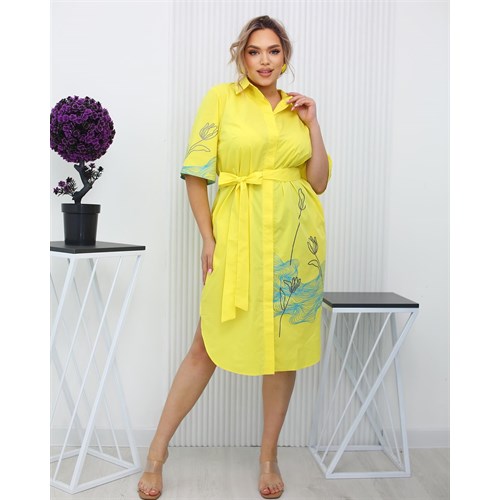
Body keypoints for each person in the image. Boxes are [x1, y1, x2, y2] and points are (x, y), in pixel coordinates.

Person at [137, 15, 331, 500]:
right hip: (238, 237)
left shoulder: (297, 109)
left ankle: (268, 457)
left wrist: (313, 123)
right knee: (206, 346)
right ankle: (157, 454)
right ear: (241, 56)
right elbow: (195, 174)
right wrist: (209, 239)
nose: (264, 61)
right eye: (254, 51)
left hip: (292, 241)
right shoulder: (221, 99)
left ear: (285, 57)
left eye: (273, 51)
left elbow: (319, 181)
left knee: (282, 352)